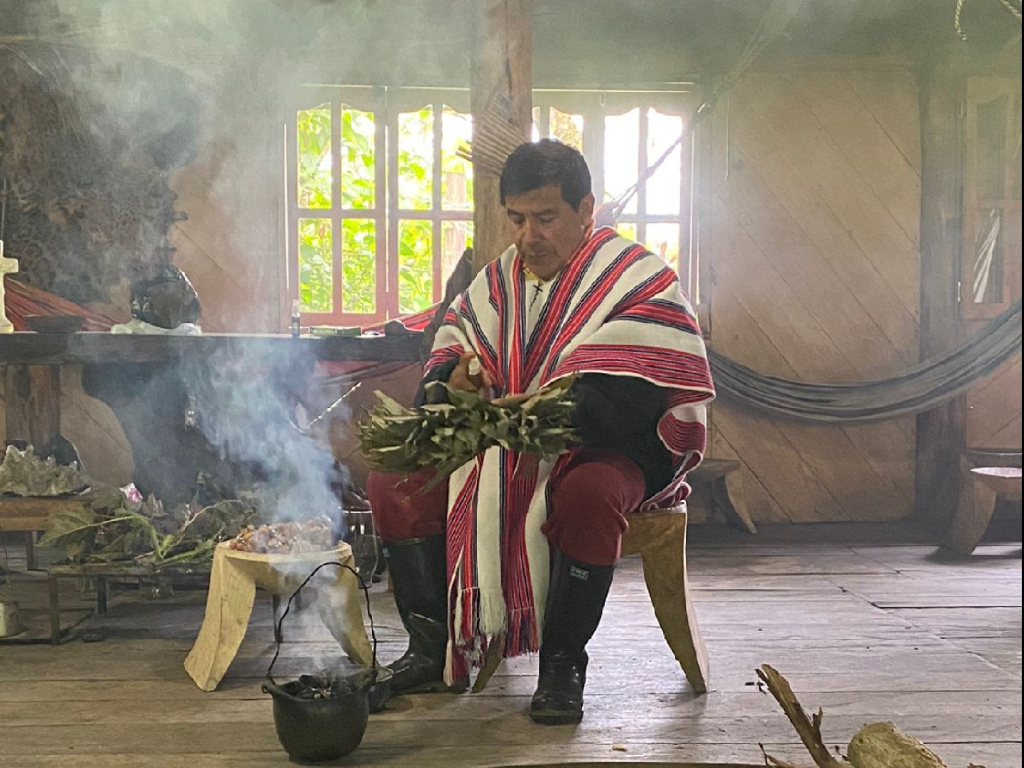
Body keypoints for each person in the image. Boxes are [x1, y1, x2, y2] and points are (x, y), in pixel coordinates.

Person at [367, 139, 714, 725]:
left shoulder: (637, 278)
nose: (529, 236)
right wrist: (456, 382)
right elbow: (452, 353)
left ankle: (561, 664)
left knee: (588, 495)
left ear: (586, 210)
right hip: (502, 441)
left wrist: (555, 417)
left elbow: (640, 396)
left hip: (607, 444)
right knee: (391, 479)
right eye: (517, 219)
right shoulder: (499, 280)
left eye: (546, 218)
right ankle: (431, 651)